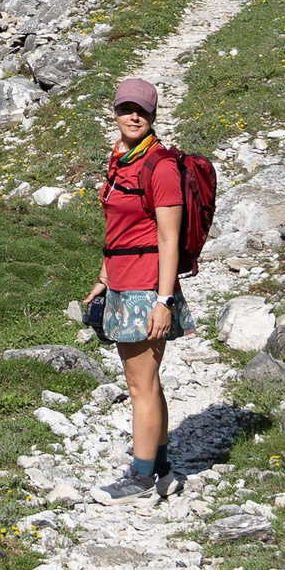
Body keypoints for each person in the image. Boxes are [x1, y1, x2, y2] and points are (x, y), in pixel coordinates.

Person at [84, 76, 189, 503]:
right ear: (115, 110)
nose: (133, 116)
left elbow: (169, 239)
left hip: (148, 287)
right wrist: (104, 277)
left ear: (154, 115)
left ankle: (142, 478)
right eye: (127, 108)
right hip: (122, 281)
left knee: (139, 383)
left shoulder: (160, 167)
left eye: (142, 111)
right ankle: (160, 468)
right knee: (148, 379)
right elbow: (120, 228)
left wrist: (163, 302)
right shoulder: (121, 157)